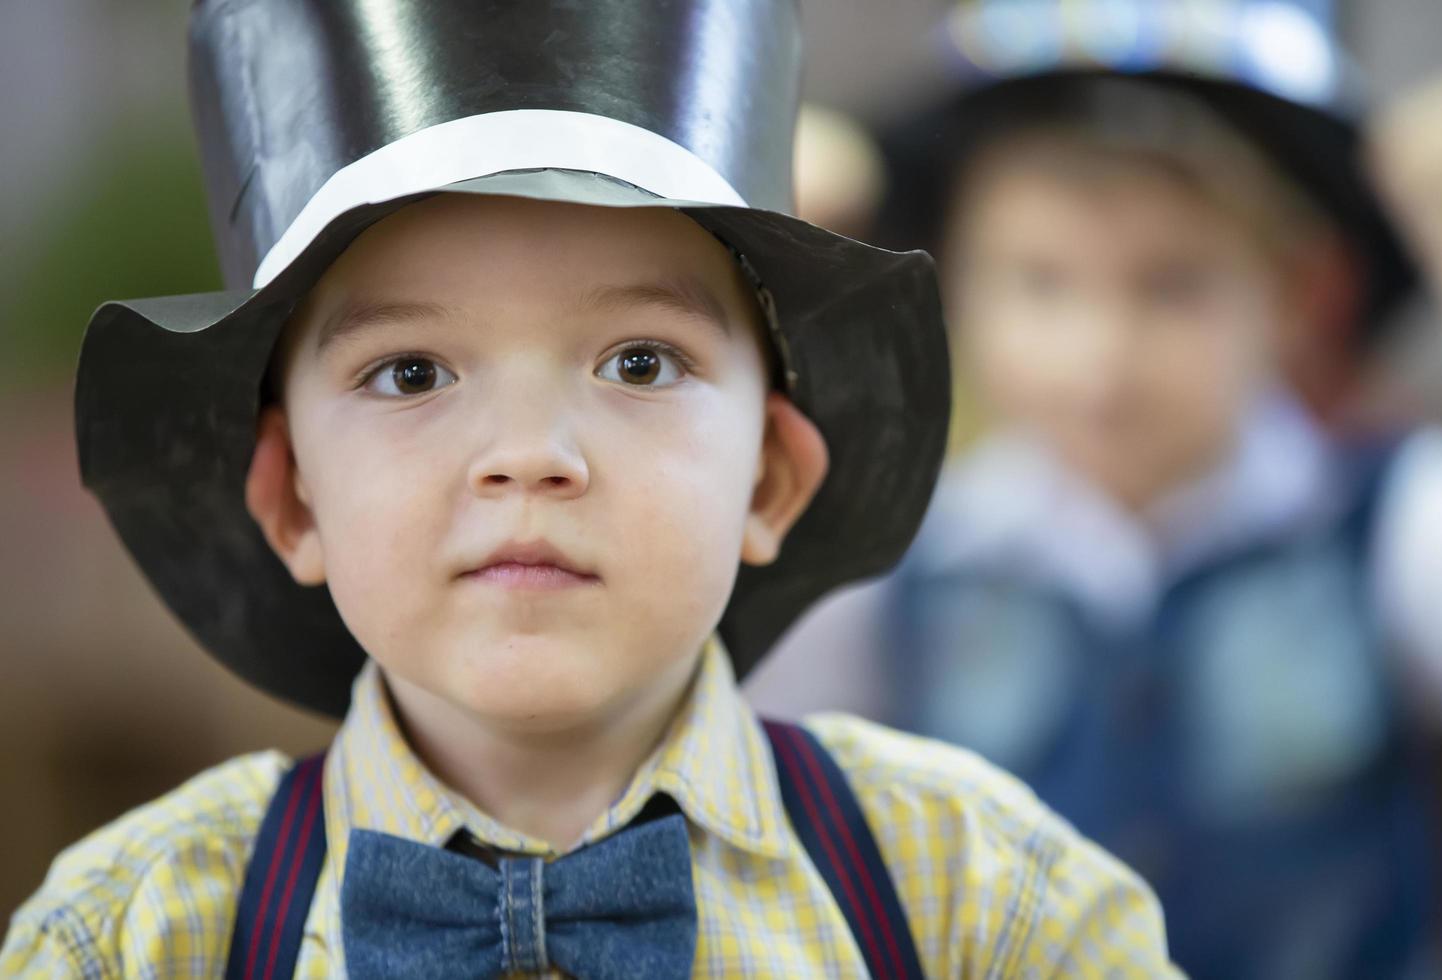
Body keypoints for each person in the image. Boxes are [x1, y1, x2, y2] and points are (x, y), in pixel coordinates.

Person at [0, 1, 1180, 976]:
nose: (529, 452)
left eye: (640, 362)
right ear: (293, 498)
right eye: (410, 372)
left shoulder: (990, 904)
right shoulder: (134, 935)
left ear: (769, 477)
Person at [750, 2, 1442, 978]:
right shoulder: (897, 553)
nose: (1102, 356)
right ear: (954, 289)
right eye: (1041, 282)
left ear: (1303, 294)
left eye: (1172, 285)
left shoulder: (1400, 516)